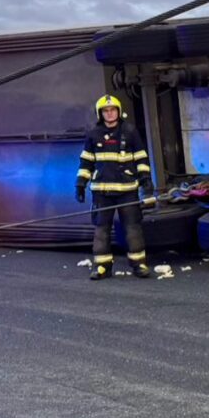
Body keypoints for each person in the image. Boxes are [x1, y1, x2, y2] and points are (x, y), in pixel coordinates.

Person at [75, 95, 153, 280]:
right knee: (101, 229)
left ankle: (138, 264)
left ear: (119, 111)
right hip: (102, 192)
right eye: (106, 111)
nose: (110, 114)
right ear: (100, 114)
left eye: (113, 110)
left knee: (133, 228)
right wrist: (80, 183)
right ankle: (102, 266)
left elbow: (141, 157)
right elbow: (86, 162)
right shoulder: (93, 134)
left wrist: (145, 180)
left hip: (127, 190)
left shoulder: (130, 131)